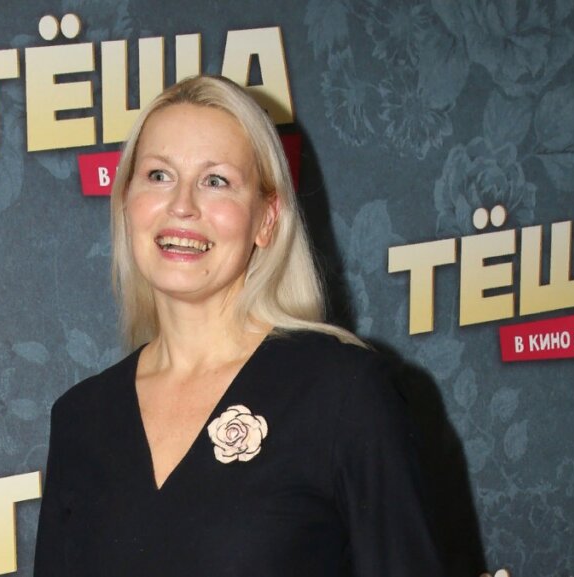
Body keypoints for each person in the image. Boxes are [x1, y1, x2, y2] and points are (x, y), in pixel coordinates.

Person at [34, 75, 444, 577]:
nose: (182, 205)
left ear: (267, 219)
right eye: (159, 175)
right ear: (126, 203)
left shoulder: (344, 393)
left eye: (216, 181)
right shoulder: (80, 418)